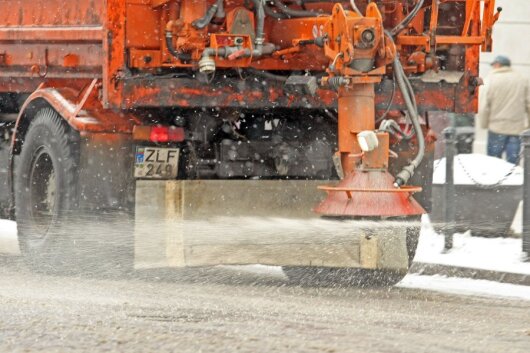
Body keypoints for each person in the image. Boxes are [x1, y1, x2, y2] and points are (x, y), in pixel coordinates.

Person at [478, 55, 530, 164]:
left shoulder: (490, 80)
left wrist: (483, 124)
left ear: (498, 65)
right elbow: (528, 104)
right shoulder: (522, 80)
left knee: (493, 163)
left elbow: (483, 105)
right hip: (516, 128)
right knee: (513, 164)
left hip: (496, 128)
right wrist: (528, 124)